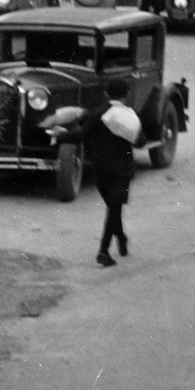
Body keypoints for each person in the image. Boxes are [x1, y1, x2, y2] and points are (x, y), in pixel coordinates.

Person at [49, 77, 137, 267]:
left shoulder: (96, 115)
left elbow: (80, 136)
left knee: (113, 208)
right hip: (122, 169)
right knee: (114, 209)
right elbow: (141, 141)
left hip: (101, 168)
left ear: (106, 94)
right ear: (127, 96)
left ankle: (112, 245)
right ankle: (112, 244)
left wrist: (60, 136)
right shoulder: (130, 117)